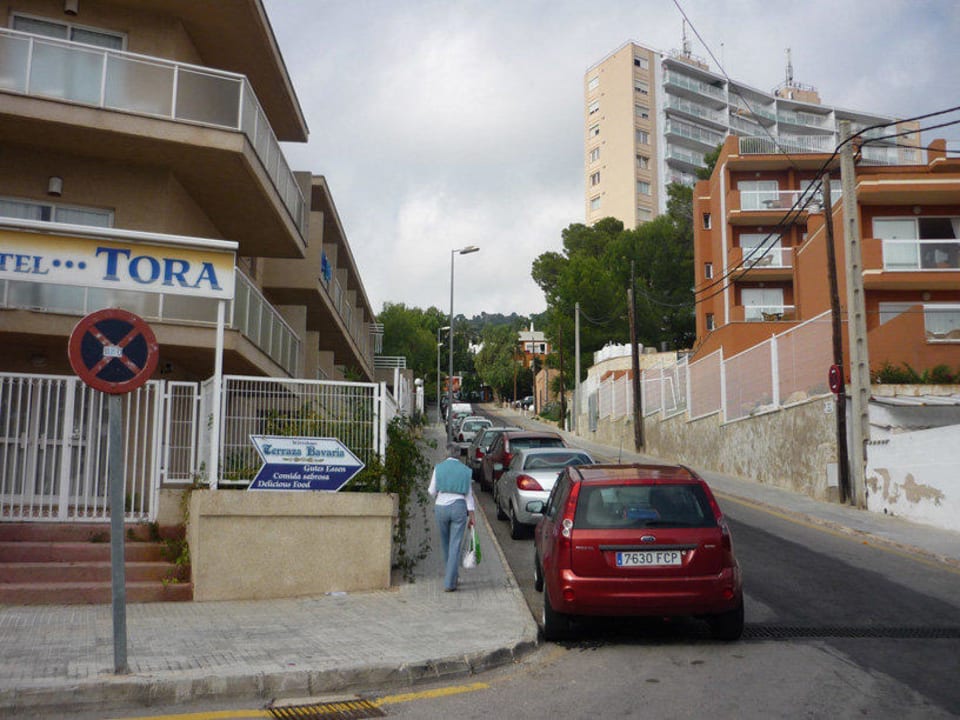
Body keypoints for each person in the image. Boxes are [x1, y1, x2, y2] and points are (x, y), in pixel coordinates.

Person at [428, 445, 476, 592]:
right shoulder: (465, 471)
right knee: (455, 544)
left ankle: (452, 576)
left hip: (441, 507)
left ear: (446, 453)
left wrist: (441, 495)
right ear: (459, 455)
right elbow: (469, 496)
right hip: (459, 507)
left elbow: (431, 491)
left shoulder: (438, 468)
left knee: (445, 544)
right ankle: (450, 582)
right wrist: (472, 516)